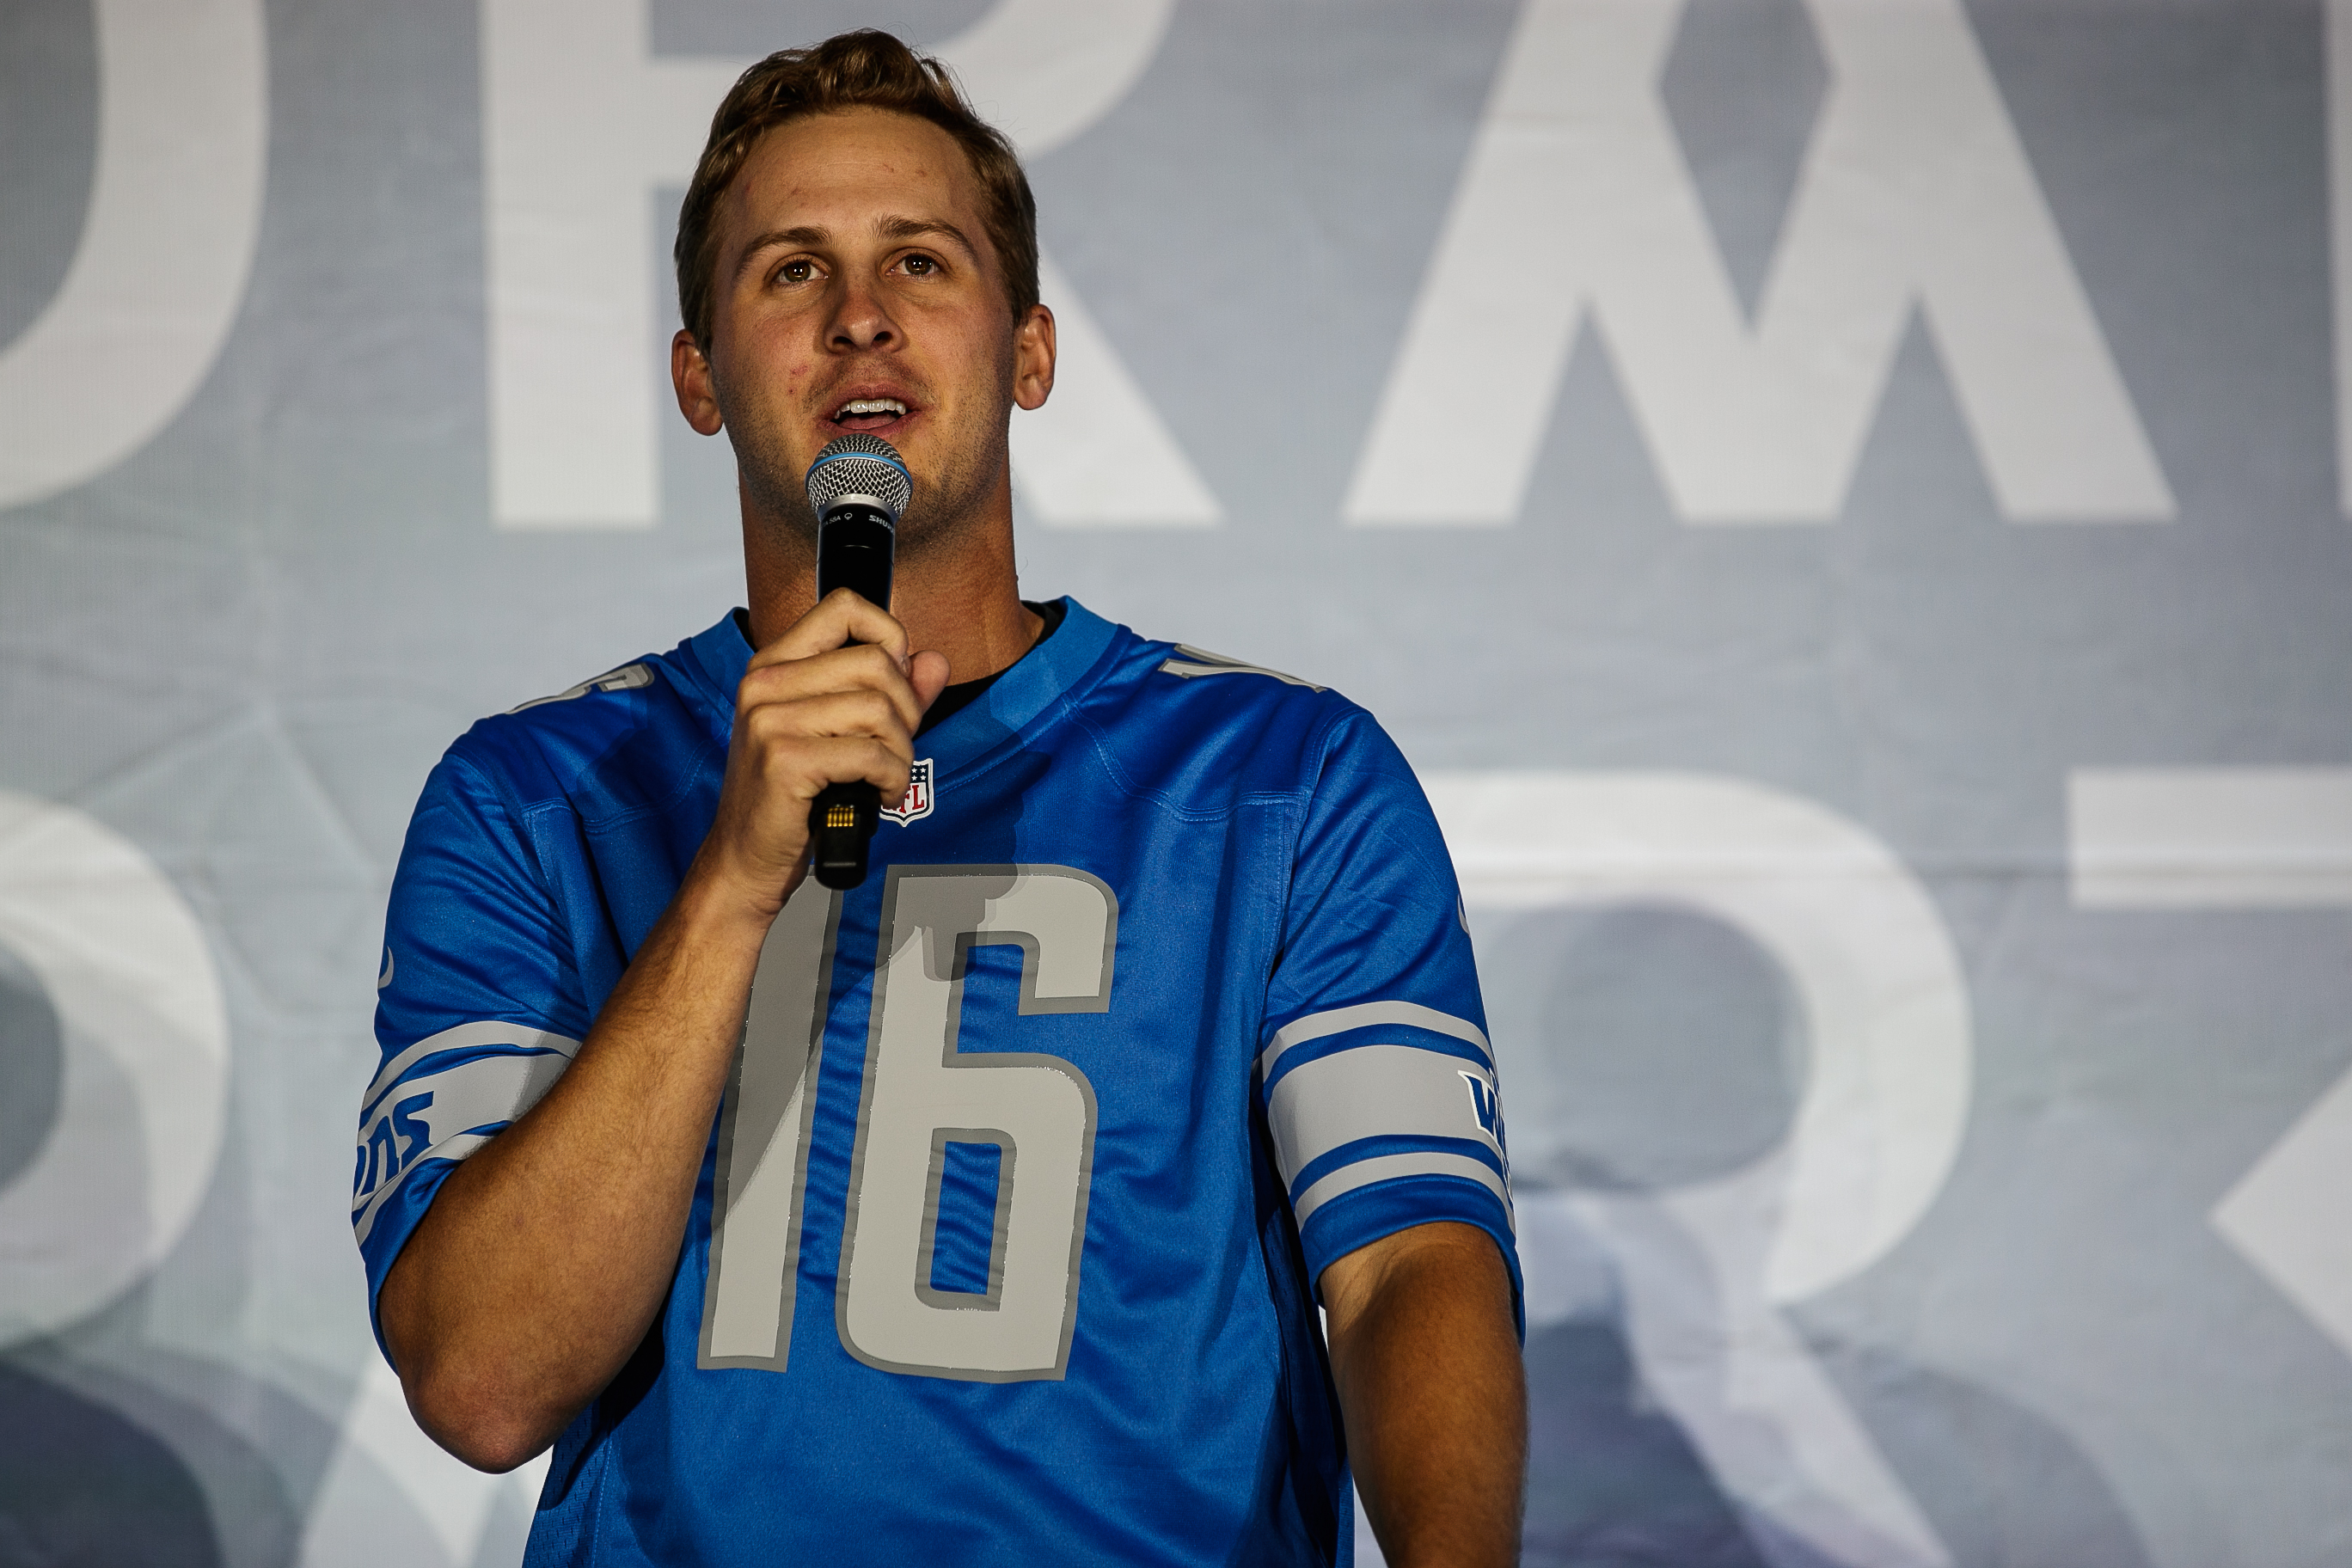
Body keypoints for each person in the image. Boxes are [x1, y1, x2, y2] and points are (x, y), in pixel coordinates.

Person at [353, 29, 1524, 1567]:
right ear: (698, 380)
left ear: (1028, 352)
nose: (859, 323)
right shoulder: (530, 801)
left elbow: (1406, 1269)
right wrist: (731, 881)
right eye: (790, 272)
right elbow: (484, 1381)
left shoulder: (1285, 781)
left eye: (920, 263)